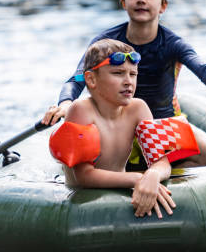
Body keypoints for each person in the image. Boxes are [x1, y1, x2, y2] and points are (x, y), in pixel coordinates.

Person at [44, 0, 206, 168]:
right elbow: (78, 78)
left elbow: (203, 69)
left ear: (163, 6)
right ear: (124, 3)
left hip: (162, 125)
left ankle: (165, 171)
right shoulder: (105, 43)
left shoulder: (173, 44)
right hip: (118, 127)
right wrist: (66, 102)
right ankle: (135, 170)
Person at [54, 38, 176, 219]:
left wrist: (152, 174)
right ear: (91, 79)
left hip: (120, 188)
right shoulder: (81, 110)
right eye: (118, 73)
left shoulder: (138, 108)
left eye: (133, 74)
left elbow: (162, 162)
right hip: (84, 200)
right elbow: (84, 176)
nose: (128, 82)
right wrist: (137, 179)